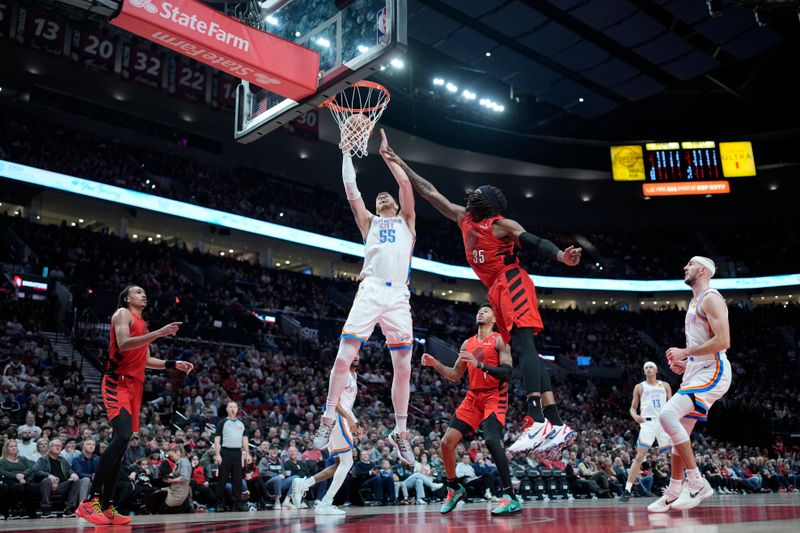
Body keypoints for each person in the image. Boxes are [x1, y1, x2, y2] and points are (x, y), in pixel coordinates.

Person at [380, 144, 581, 455]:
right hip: (496, 290)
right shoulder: (463, 217)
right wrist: (400, 163)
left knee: (523, 348)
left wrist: (560, 256)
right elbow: (430, 192)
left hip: (512, 280)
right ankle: (554, 424)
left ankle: (535, 419)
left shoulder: (500, 225)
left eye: (476, 195)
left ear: (484, 204)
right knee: (527, 352)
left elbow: (532, 240)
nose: (470, 196)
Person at [314, 130, 417, 465]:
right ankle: (329, 417)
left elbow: (406, 186)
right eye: (379, 198)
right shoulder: (369, 222)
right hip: (371, 289)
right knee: (344, 357)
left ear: (397, 205)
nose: (384, 198)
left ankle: (401, 432)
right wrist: (346, 153)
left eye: (388, 197)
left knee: (404, 366)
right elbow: (351, 190)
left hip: (399, 296)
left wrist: (389, 158)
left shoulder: (407, 222)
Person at [76, 285, 193, 525]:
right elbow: (123, 344)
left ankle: (108, 506)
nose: (143, 294)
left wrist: (173, 363)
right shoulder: (122, 314)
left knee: (123, 442)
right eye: (137, 291)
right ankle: (90, 501)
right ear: (127, 298)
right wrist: (159, 333)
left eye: (143, 292)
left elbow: (147, 359)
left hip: (134, 386)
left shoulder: (144, 325)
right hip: (116, 381)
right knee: (121, 436)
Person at [648, 256, 732, 513]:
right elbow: (704, 348)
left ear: (703, 270)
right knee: (677, 434)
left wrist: (685, 353)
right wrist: (688, 364)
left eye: (690, 264)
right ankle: (674, 490)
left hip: (714, 371)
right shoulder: (695, 301)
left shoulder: (711, 298)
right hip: (698, 371)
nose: (685, 267)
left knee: (667, 415)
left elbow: (723, 341)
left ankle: (696, 482)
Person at [422, 305, 520, 515]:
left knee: (492, 440)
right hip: (473, 397)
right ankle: (454, 488)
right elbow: (455, 375)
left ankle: (510, 496)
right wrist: (435, 364)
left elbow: (507, 373)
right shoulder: (468, 343)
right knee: (446, 443)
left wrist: (480, 365)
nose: (481, 312)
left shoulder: (500, 340)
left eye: (486, 311)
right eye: (480, 311)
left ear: (494, 319)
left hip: (494, 395)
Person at [293, 355, 362, 515]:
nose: (356, 356)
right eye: (353, 352)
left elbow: (346, 403)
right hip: (337, 418)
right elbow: (334, 402)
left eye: (358, 353)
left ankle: (303, 484)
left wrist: (355, 421)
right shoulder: (342, 374)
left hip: (341, 418)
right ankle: (325, 503)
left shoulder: (354, 375)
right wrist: (350, 421)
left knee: (339, 464)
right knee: (347, 462)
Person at [620, 362, 672, 502]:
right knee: (639, 456)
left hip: (663, 421)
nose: (648, 369)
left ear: (656, 370)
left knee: (674, 454)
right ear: (644, 372)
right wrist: (635, 416)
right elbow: (632, 408)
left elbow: (672, 404)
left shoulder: (665, 385)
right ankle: (627, 490)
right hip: (647, 423)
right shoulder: (639, 387)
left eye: (650, 367)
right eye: (646, 368)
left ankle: (682, 486)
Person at [33, 438, 91, 517]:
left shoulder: (62, 460)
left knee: (76, 481)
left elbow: (69, 470)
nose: (58, 447)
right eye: (55, 446)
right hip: (48, 486)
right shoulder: (43, 459)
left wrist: (73, 474)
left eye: (60, 446)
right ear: (50, 447)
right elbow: (36, 471)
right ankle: (45, 509)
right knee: (47, 481)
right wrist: (49, 475)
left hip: (61, 486)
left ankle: (70, 508)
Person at [214, 401, 250, 511]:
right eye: (230, 407)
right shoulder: (222, 422)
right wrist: (217, 454)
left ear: (237, 409)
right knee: (222, 479)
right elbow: (217, 439)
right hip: (225, 452)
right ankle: (220, 503)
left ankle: (237, 503)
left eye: (235, 406)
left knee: (237, 479)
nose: (233, 408)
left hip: (237, 453)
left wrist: (247, 454)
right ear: (227, 409)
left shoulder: (241, 424)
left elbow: (245, 439)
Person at [0, 439, 39, 518]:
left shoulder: (22, 458)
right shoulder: (2, 460)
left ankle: (29, 511)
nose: (14, 448)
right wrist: (16, 476)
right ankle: (15, 510)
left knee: (33, 487)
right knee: (17, 487)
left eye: (15, 446)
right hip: (9, 480)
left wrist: (23, 475)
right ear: (6, 448)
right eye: (11, 446)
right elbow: (2, 472)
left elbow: (30, 468)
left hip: (23, 479)